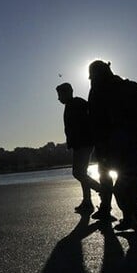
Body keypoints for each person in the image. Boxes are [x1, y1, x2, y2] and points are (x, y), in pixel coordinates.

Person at [87, 60, 137, 230]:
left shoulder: (98, 91)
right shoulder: (126, 85)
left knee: (123, 186)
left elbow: (95, 121)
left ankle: (133, 217)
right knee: (136, 182)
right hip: (129, 142)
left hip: (115, 146)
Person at [56, 82, 101, 214]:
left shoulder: (76, 104)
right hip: (80, 143)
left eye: (59, 95)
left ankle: (101, 190)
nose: (58, 98)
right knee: (82, 173)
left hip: (83, 143)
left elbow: (83, 123)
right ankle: (87, 201)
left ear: (67, 93)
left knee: (78, 173)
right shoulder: (73, 104)